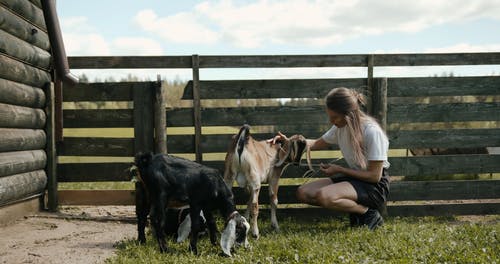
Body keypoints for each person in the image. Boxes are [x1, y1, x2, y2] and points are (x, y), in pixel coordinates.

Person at [270, 87, 390, 230]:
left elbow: (374, 176)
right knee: (303, 192)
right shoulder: (340, 127)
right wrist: (289, 142)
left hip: (374, 187)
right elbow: (315, 143)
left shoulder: (372, 132)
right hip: (355, 180)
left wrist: (340, 170)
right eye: (330, 116)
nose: (331, 121)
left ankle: (368, 214)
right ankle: (358, 213)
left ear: (349, 115)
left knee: (324, 195)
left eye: (334, 117)